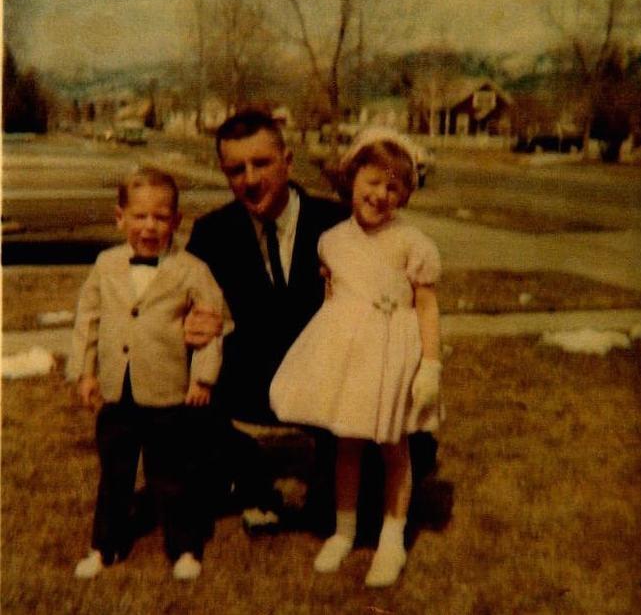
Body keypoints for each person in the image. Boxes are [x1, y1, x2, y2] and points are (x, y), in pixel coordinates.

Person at [185, 110, 439, 538]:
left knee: (408, 456)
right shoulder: (212, 232)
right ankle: (247, 469)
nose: (249, 179)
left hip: (338, 367)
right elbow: (175, 302)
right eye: (235, 169)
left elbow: (407, 304)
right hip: (258, 368)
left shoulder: (343, 222)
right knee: (173, 377)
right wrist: (188, 325)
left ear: (287, 160)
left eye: (261, 163)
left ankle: (337, 468)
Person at [270, 127, 443, 588]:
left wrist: (431, 365)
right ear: (352, 179)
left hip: (393, 355)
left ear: (406, 193)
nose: (381, 194)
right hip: (350, 356)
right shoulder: (331, 241)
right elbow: (333, 297)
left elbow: (426, 306)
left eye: (394, 187)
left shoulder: (412, 243)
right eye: (373, 182)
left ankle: (392, 538)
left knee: (394, 447)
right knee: (346, 443)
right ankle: (343, 529)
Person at [68, 168, 224, 581]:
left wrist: (202, 378)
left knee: (172, 477)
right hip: (117, 393)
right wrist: (84, 374)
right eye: (139, 216)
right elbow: (89, 321)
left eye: (160, 217)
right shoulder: (105, 265)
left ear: (176, 220)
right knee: (114, 476)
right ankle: (105, 545)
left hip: (167, 393)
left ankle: (185, 547)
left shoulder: (191, 269)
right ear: (120, 217)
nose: (149, 226)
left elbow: (213, 323)